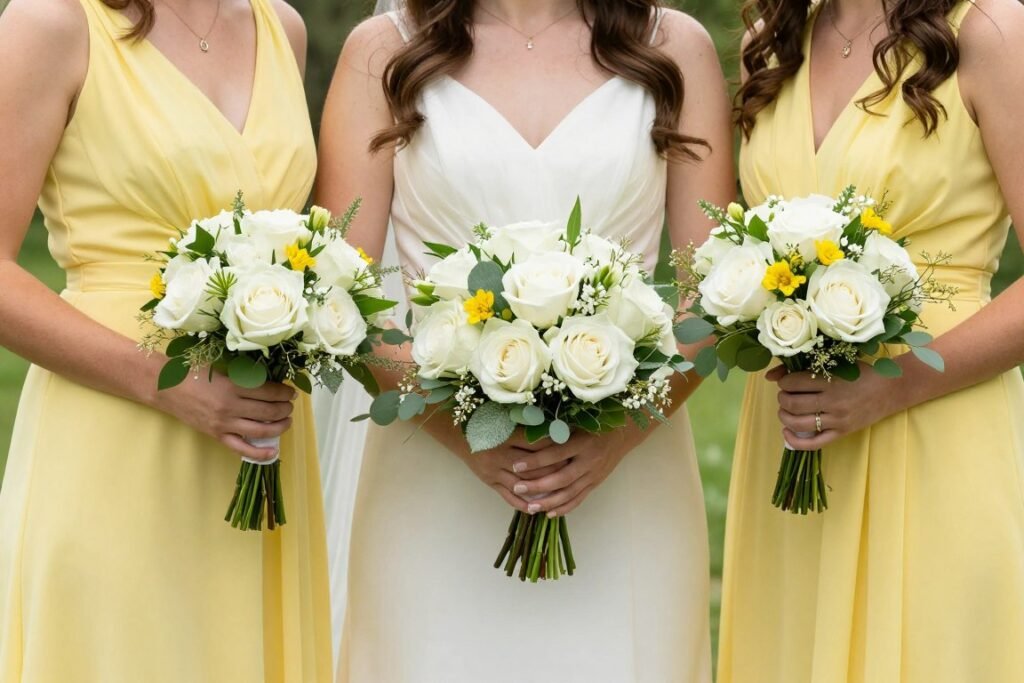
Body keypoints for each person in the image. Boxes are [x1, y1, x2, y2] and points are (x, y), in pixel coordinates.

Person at [316, 1, 734, 680]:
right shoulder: (382, 53)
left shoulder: (674, 48)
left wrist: (619, 432)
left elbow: (712, 298)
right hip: (433, 480)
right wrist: (463, 434)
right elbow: (343, 297)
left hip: (626, 477)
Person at [0, 0, 332, 679]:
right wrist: (167, 381)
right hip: (116, 429)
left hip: (259, 442)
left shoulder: (281, 27)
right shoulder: (53, 23)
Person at [718, 0, 1024, 681]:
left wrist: (896, 384)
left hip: (934, 421)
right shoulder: (774, 41)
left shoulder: (992, 31)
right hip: (791, 434)